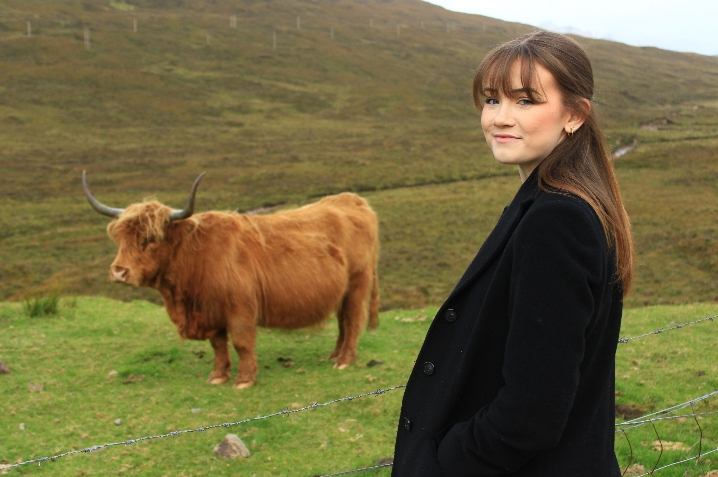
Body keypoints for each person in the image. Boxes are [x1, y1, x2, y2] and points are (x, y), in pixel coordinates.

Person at [391, 30, 635, 476]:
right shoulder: (561, 202)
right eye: (491, 100)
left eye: (525, 101)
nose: (500, 118)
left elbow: (531, 413)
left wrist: (441, 461)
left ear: (575, 115)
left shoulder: (557, 220)